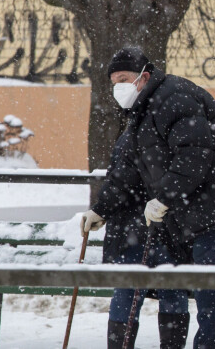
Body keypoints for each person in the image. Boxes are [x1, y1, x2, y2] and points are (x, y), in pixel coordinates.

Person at [81, 46, 215, 349]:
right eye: (113, 82)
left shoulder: (174, 97)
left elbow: (192, 155)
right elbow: (129, 169)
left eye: (124, 79)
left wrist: (165, 198)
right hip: (214, 207)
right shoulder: (142, 111)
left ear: (144, 77)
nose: (118, 88)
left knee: (211, 291)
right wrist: (101, 209)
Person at [81, 131, 190, 349]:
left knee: (129, 291)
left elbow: (121, 181)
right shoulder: (177, 131)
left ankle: (120, 345)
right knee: (172, 289)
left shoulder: (134, 134)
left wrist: (102, 209)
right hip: (167, 228)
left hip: (133, 230)